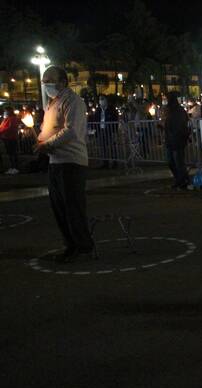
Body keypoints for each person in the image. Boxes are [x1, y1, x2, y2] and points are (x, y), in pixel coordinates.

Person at [36, 66, 94, 263]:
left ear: (62, 81)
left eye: (49, 80)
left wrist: (48, 144)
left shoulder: (73, 102)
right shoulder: (53, 103)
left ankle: (83, 246)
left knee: (73, 206)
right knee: (59, 206)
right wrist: (41, 139)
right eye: (43, 81)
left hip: (71, 161)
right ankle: (70, 244)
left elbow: (71, 131)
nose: (45, 84)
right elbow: (50, 128)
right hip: (56, 161)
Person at [160, 91, 191, 189]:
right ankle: (180, 179)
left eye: (166, 99)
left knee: (178, 162)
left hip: (178, 139)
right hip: (170, 139)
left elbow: (181, 125)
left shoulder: (179, 110)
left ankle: (183, 180)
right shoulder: (168, 110)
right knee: (171, 161)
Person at [90, 95, 118, 168]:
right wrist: (95, 131)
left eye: (102, 99)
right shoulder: (98, 110)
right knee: (103, 147)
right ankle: (105, 163)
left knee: (112, 147)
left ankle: (115, 162)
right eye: (100, 99)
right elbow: (95, 119)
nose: (101, 100)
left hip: (110, 130)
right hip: (101, 130)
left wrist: (115, 131)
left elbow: (115, 120)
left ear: (106, 100)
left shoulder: (111, 109)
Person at [0, 106, 20, 175]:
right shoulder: (7, 118)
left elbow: (10, 128)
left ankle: (15, 168)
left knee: (12, 153)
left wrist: (1, 131)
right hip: (7, 137)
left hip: (11, 138)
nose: (5, 112)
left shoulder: (12, 119)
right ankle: (13, 167)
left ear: (9, 111)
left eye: (6, 111)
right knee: (10, 153)